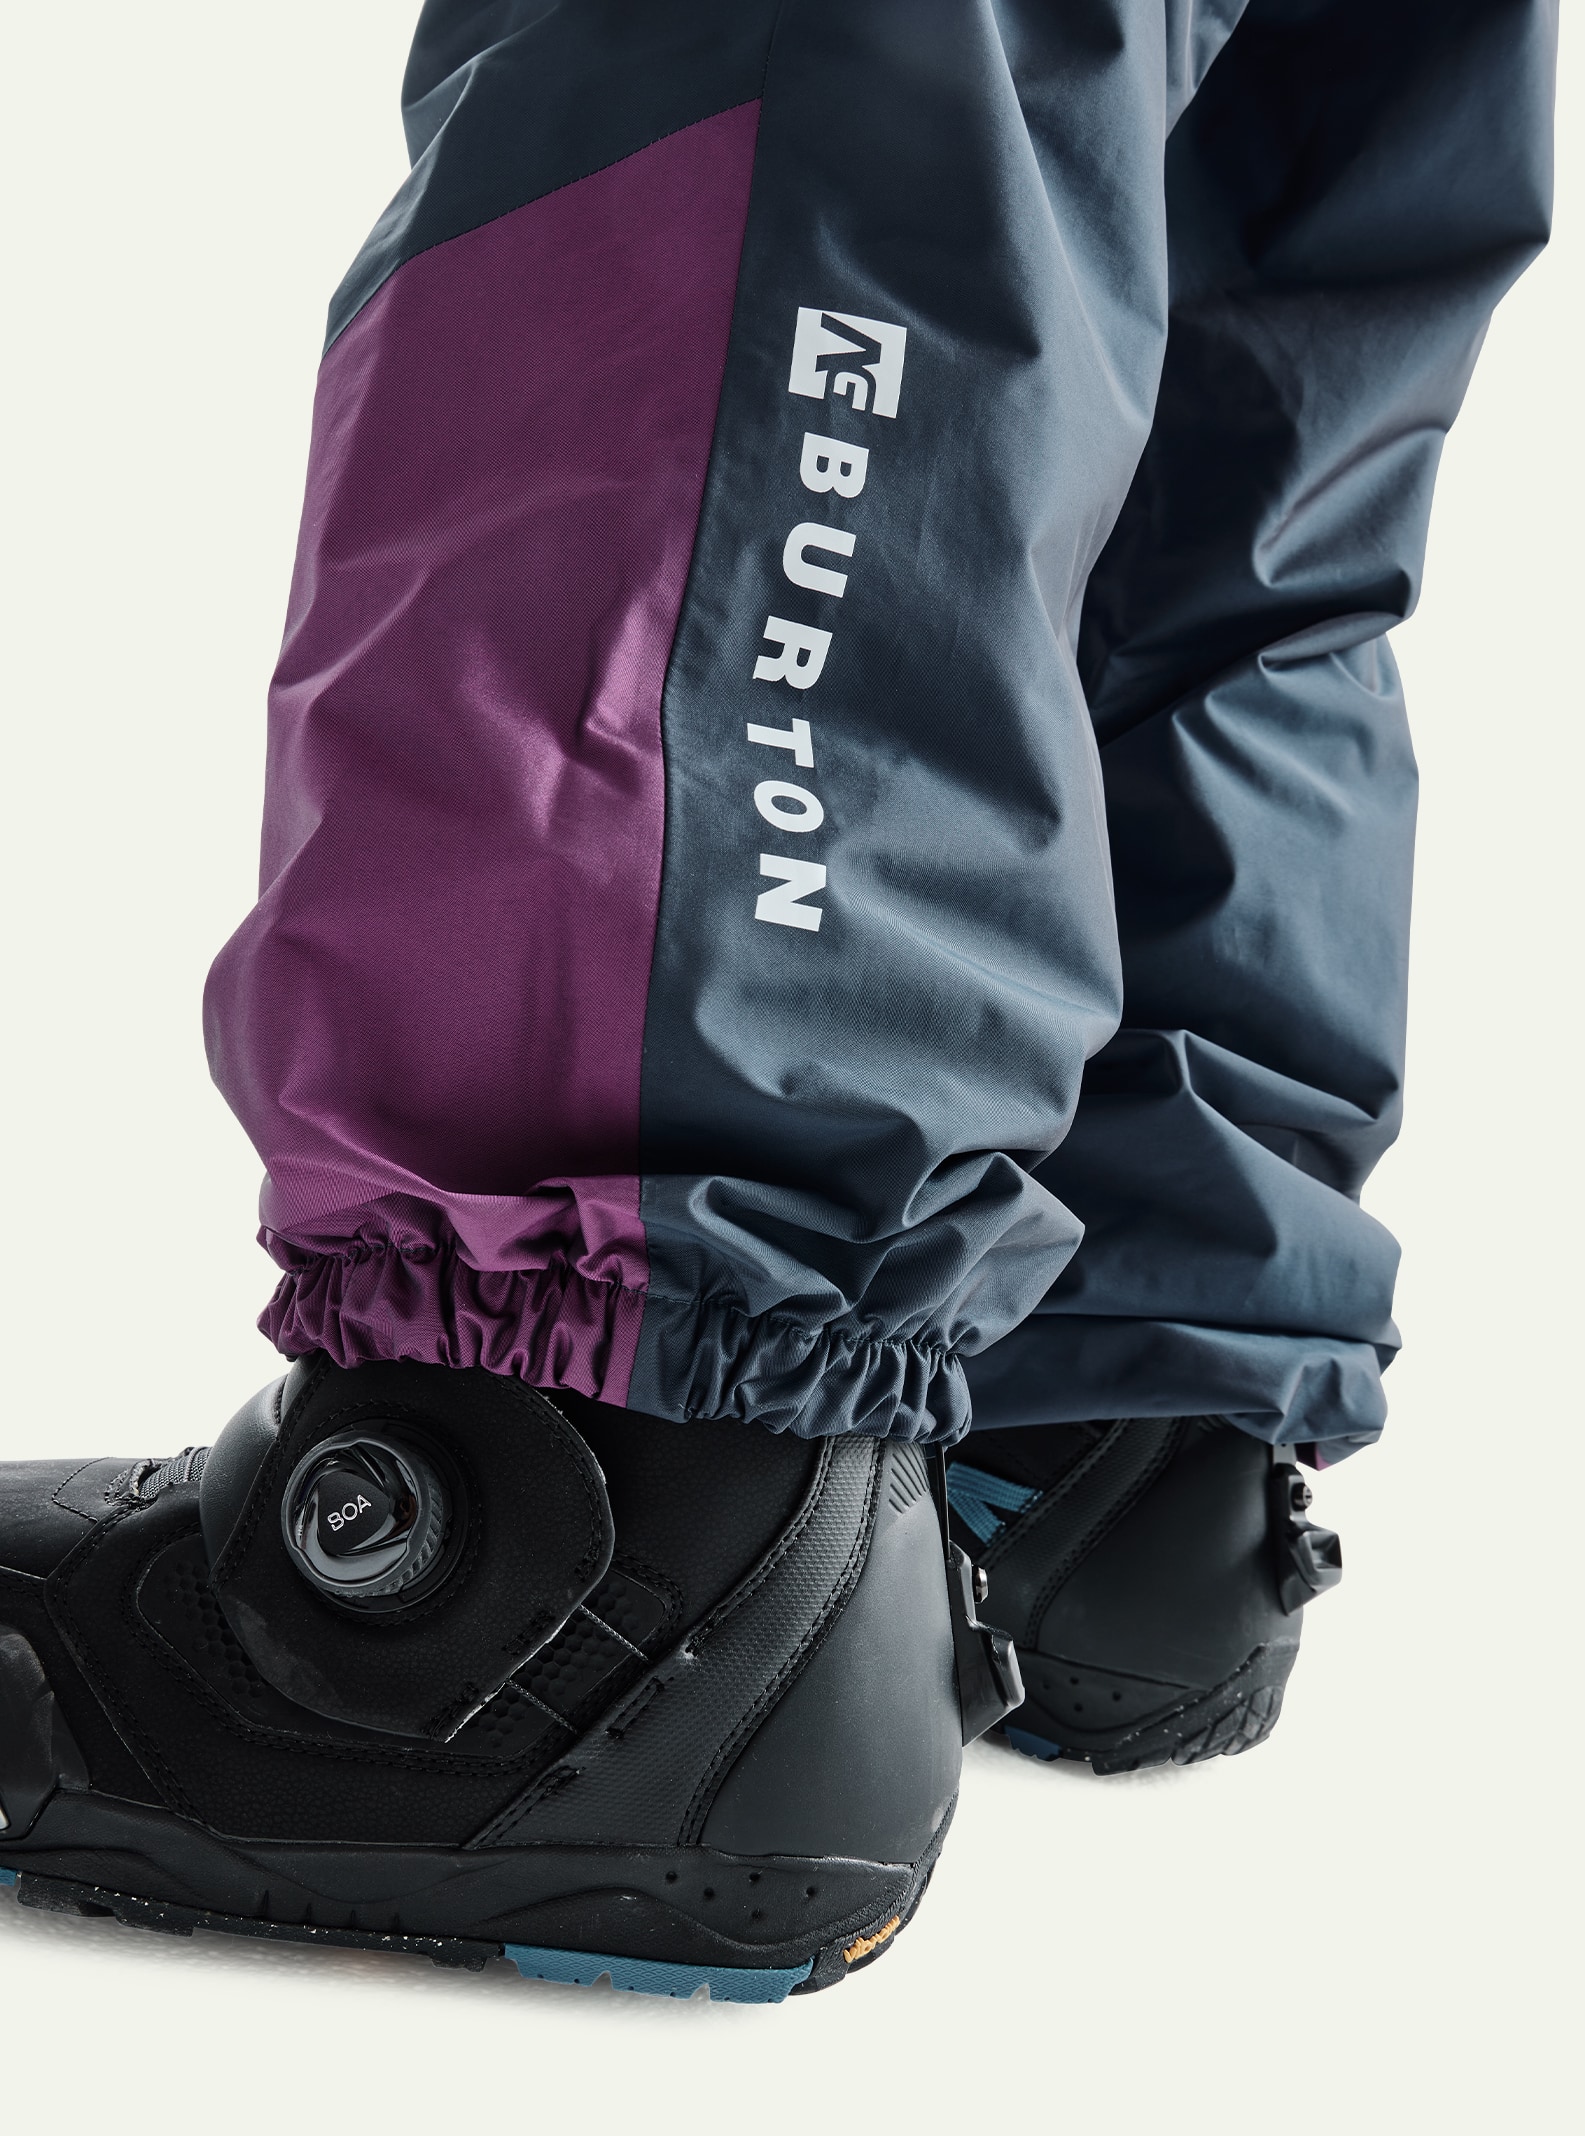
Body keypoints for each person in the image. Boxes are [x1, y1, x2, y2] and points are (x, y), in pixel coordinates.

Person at [0, 0, 1554, 2000]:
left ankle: (587, 1530)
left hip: (636, 1438)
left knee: (811, 81)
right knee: (1224, 275)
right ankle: (1093, 1415)